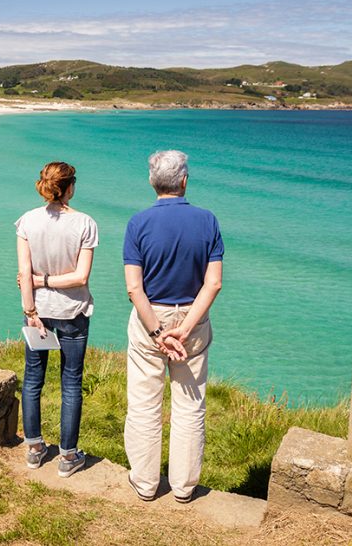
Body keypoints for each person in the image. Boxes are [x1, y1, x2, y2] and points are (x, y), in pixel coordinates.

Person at [122, 150, 223, 503]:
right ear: (184, 181)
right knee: (190, 405)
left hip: (151, 320)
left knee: (144, 403)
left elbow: (134, 288)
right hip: (192, 323)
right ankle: (183, 487)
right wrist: (184, 328)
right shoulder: (208, 221)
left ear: (153, 182)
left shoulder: (138, 223)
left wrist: (158, 333)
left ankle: (146, 483)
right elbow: (213, 284)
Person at [16, 161, 98, 478]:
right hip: (73, 313)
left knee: (33, 379)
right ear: (69, 187)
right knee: (71, 383)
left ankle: (35, 449)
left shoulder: (27, 221)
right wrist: (47, 281)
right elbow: (80, 277)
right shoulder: (85, 224)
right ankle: (67, 457)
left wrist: (31, 311)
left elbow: (25, 273)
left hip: (37, 313)